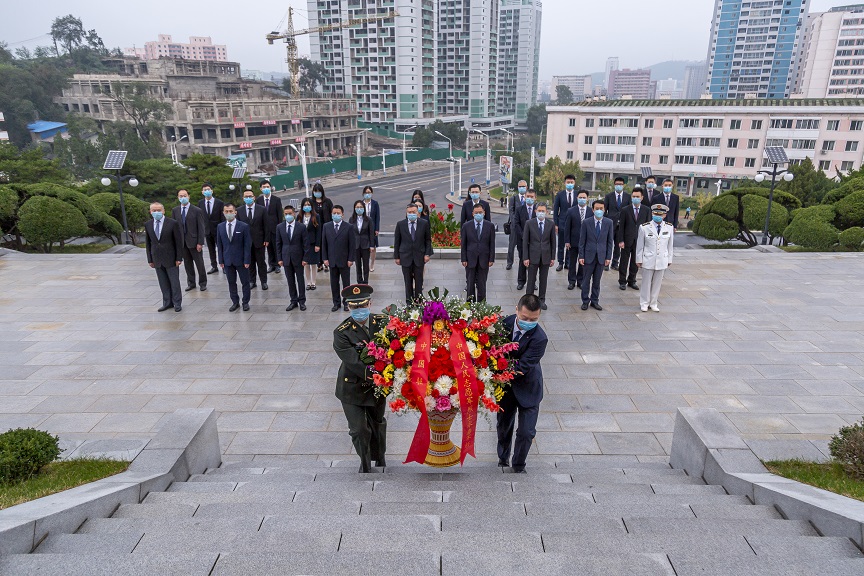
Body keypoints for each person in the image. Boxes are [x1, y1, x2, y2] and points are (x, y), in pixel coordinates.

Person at [333, 284, 388, 473]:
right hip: (352, 387)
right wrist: (378, 376)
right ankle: (365, 465)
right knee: (359, 430)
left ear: (370, 304)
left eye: (362, 306)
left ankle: (380, 459)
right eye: (354, 307)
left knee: (377, 424)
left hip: (377, 387)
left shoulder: (383, 322)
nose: (359, 310)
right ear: (348, 307)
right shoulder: (342, 332)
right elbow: (354, 362)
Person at [497, 294, 548, 473]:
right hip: (506, 389)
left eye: (533, 320)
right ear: (517, 310)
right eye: (524, 318)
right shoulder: (502, 325)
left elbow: (523, 366)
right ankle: (502, 458)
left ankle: (518, 465)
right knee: (504, 426)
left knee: (526, 432)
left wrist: (497, 368)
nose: (528, 322)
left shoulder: (540, 338)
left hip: (528, 387)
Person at [145, 202, 183, 312]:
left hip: (171, 257)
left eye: (159, 210)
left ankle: (177, 303)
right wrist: (150, 259)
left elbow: (178, 242)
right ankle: (167, 302)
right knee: (163, 282)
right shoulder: (148, 224)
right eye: (154, 210)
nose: (156, 212)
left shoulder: (172, 223)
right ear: (150, 212)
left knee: (174, 282)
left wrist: (179, 258)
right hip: (157, 258)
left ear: (163, 211)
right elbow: (148, 243)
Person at [636, 204, 674, 313]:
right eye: (655, 214)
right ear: (652, 214)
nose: (657, 216)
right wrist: (639, 259)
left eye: (660, 214)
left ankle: (653, 303)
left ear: (664, 215)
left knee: (657, 283)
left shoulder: (669, 227)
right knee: (646, 282)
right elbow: (640, 245)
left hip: (662, 259)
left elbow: (670, 245)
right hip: (648, 258)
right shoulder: (644, 227)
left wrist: (669, 259)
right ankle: (644, 303)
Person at [578, 200, 614, 311]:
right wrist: (581, 256)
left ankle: (595, 301)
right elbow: (582, 241)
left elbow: (609, 241)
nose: (599, 211)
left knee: (597, 281)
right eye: (597, 208)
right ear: (593, 209)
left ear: (604, 210)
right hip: (588, 256)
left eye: (601, 209)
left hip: (601, 256)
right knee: (586, 281)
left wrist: (608, 257)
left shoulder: (609, 223)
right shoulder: (586, 222)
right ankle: (585, 301)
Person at [394, 203, 433, 303]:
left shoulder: (424, 223)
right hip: (405, 256)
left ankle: (419, 302)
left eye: (413, 212)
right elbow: (397, 241)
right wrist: (397, 257)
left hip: (419, 257)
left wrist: (427, 254)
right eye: (409, 212)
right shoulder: (400, 224)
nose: (411, 214)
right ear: (406, 213)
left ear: (417, 212)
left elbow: (428, 240)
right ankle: (409, 303)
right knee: (408, 282)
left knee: (419, 282)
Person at [217, 203, 252, 312]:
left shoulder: (243, 226)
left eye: (230, 211)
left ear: (235, 212)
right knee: (231, 282)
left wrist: (247, 259)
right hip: (227, 260)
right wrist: (221, 260)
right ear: (223, 213)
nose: (228, 213)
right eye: (226, 211)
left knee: (245, 282)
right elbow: (219, 244)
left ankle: (245, 302)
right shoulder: (220, 226)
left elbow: (247, 244)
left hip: (241, 260)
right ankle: (235, 302)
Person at [171, 189, 208, 293]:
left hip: (194, 241)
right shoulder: (175, 210)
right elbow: (174, 227)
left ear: (188, 196)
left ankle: (202, 283)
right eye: (180, 196)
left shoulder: (197, 210)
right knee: (187, 264)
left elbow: (201, 228)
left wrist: (200, 242)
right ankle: (191, 283)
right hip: (182, 243)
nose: (183, 197)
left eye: (184, 195)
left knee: (199, 263)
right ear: (178, 197)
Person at [322, 205, 357, 312]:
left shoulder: (348, 227)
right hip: (332, 260)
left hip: (344, 260)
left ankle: (346, 302)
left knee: (346, 283)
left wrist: (351, 259)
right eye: (334, 213)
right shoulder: (326, 226)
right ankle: (336, 303)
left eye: (338, 213)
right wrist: (325, 258)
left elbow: (352, 245)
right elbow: (324, 243)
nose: (336, 215)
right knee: (334, 283)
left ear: (342, 215)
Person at [616, 186, 652, 291]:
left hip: (639, 241)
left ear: (642, 198)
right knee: (623, 261)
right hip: (627, 240)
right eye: (633, 196)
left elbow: (648, 226)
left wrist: (647, 242)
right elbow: (621, 226)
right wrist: (621, 240)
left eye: (637, 196)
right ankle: (622, 281)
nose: (635, 198)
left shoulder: (646, 210)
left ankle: (632, 280)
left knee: (635, 262)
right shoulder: (625, 210)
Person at [522, 201, 555, 311]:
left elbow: (553, 242)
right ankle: (528, 300)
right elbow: (525, 242)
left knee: (543, 279)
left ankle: (542, 300)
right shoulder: (529, 223)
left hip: (545, 256)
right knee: (531, 279)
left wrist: (552, 257)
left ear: (546, 212)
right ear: (536, 211)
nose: (541, 213)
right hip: (533, 256)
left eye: (543, 211)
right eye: (539, 211)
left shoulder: (550, 224)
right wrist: (525, 257)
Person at [461, 203, 496, 302]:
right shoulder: (466, 226)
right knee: (470, 284)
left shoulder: (490, 226)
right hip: (470, 259)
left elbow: (492, 243)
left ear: (484, 213)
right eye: (476, 213)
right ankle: (470, 305)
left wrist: (491, 258)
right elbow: (463, 243)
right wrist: (463, 258)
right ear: (472, 214)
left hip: (484, 259)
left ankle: (481, 305)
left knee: (482, 284)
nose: (478, 214)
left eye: (480, 212)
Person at [276, 205, 308, 312]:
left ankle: (302, 301)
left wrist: (305, 258)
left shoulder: (301, 227)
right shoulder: (280, 227)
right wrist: (279, 258)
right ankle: (293, 300)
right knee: (290, 281)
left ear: (294, 213)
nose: (288, 216)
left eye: (290, 213)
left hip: (298, 257)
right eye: (286, 214)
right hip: (286, 258)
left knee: (300, 280)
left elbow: (305, 244)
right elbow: (278, 243)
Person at [236, 189, 270, 290]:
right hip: (246, 242)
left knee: (261, 262)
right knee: (249, 263)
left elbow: (266, 226)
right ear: (243, 198)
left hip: (259, 241)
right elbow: (238, 227)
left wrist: (266, 239)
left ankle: (264, 281)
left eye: (250, 196)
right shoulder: (239, 210)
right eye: (246, 197)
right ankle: (252, 281)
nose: (248, 198)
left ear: (254, 197)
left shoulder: (262, 209)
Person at [562, 189, 590, 291]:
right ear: (577, 198)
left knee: (583, 263)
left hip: (586, 243)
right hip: (573, 242)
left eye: (584, 198)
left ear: (587, 199)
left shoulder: (591, 211)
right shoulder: (571, 211)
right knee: (572, 262)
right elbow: (567, 227)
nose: (582, 199)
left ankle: (580, 281)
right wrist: (567, 241)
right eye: (580, 197)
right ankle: (571, 281)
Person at [256, 180, 284, 274]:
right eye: (264, 187)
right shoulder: (259, 200)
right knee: (268, 248)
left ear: (270, 187)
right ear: (261, 189)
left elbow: (279, 215)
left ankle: (277, 265)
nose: (266, 189)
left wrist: (280, 227)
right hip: (264, 229)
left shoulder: (276, 200)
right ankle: (271, 264)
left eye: (267, 187)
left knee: (276, 247)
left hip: (275, 228)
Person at [603, 177, 631, 271]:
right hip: (611, 224)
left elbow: (629, 210)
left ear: (623, 185)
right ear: (614, 185)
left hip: (622, 225)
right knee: (608, 243)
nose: (619, 186)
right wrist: (608, 219)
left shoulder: (628, 197)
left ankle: (615, 263)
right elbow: (604, 209)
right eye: (617, 184)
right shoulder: (609, 196)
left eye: (621, 184)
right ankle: (606, 262)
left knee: (618, 245)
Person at [552, 174, 578, 271]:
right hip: (562, 223)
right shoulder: (560, 195)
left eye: (571, 182)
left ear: (574, 183)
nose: (570, 184)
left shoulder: (577, 194)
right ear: (565, 183)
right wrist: (556, 224)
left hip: (574, 224)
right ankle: (560, 263)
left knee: (570, 245)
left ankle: (568, 262)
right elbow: (555, 210)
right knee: (561, 244)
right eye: (568, 182)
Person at [197, 182, 224, 274]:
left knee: (221, 248)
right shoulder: (200, 203)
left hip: (218, 230)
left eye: (208, 189)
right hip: (207, 230)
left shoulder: (219, 203)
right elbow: (200, 217)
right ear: (202, 192)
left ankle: (223, 265)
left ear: (212, 191)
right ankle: (214, 266)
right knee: (211, 249)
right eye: (205, 190)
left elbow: (222, 217)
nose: (207, 191)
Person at [513, 188, 537, 291]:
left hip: (535, 242)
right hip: (522, 240)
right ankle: (521, 281)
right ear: (525, 197)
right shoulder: (519, 209)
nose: (529, 199)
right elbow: (516, 223)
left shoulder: (537, 210)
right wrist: (523, 235)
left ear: (535, 198)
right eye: (528, 197)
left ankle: (532, 282)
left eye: (532, 197)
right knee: (523, 260)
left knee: (534, 262)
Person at [350, 199, 375, 284]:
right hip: (356, 245)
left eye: (361, 207)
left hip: (365, 245)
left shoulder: (368, 219)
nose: (359, 209)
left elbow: (371, 233)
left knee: (365, 265)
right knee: (358, 265)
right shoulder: (352, 219)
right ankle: (359, 281)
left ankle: (366, 281)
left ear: (364, 208)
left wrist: (372, 245)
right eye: (357, 207)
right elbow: (350, 233)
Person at [299, 197, 321, 291]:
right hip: (303, 244)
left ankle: (313, 282)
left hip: (313, 243)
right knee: (306, 264)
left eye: (308, 205)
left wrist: (318, 244)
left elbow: (319, 231)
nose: (307, 206)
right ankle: (308, 282)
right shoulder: (300, 216)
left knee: (313, 264)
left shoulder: (316, 216)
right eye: (305, 205)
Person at [312, 183, 334, 272]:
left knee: (326, 245)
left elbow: (332, 212)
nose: (317, 193)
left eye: (319, 191)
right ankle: (319, 263)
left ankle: (326, 263)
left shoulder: (327, 201)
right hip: (316, 227)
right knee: (318, 245)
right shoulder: (311, 202)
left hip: (326, 226)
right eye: (315, 191)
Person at [506, 181, 527, 270]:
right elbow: (511, 211)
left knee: (522, 246)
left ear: (526, 187)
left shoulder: (528, 198)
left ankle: (523, 262)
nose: (522, 188)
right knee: (512, 245)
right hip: (515, 227)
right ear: (517, 187)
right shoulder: (513, 198)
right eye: (520, 186)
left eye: (523, 186)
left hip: (525, 227)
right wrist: (516, 223)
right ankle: (509, 263)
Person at [362, 186, 380, 272]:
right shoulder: (361, 204)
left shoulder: (375, 204)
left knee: (373, 246)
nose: (367, 194)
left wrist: (377, 229)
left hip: (372, 227)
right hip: (363, 227)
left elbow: (377, 217)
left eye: (369, 192)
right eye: (366, 193)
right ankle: (364, 263)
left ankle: (372, 263)